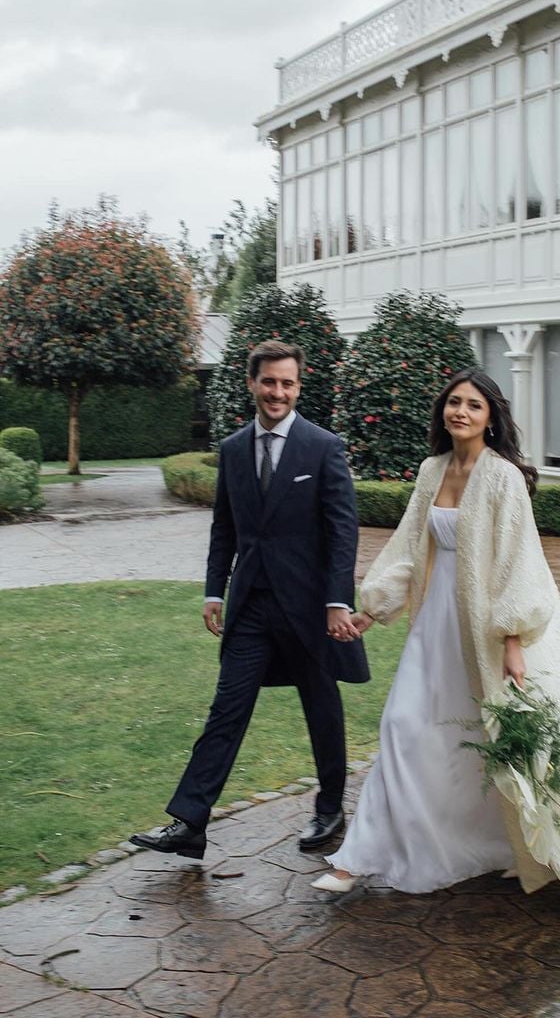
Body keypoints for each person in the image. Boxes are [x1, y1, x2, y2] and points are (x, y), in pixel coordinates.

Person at [311, 368, 560, 914]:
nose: (460, 412)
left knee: (483, 740)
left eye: (473, 405)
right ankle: (355, 858)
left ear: (490, 416)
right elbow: (411, 547)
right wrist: (373, 608)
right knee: (404, 725)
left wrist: (513, 639)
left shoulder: (503, 477)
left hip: (483, 632)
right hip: (433, 625)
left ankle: (509, 845)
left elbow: (518, 561)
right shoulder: (432, 470)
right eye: (453, 402)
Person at [130, 340, 368, 860]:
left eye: (287, 382)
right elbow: (225, 528)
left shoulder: (323, 446)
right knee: (227, 709)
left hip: (308, 608)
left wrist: (336, 601)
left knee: (321, 707)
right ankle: (190, 820)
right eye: (269, 381)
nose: (277, 391)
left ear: (298, 386)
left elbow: (342, 531)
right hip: (251, 607)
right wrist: (215, 589)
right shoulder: (235, 448)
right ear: (251, 383)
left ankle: (330, 807)